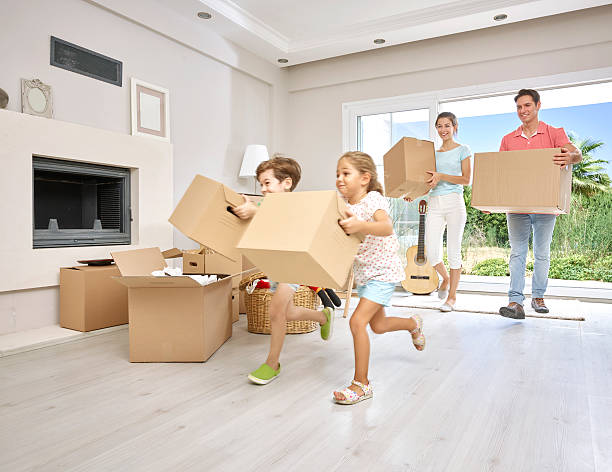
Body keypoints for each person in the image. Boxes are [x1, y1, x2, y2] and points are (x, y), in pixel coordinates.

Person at [333, 151, 425, 405]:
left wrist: (361, 226)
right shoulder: (344, 207)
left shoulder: (373, 199)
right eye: (337, 174)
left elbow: (386, 228)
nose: (340, 179)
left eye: (346, 173)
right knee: (378, 326)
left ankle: (361, 384)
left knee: (356, 322)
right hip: (365, 274)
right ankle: (412, 324)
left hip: (383, 273)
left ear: (365, 178)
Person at [233, 155, 334, 385]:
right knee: (287, 313)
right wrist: (248, 209)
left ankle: (272, 363)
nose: (263, 189)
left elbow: (289, 222)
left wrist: (256, 212)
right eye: (261, 184)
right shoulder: (266, 205)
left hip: (296, 264)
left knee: (276, 310)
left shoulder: (295, 205)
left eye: (267, 183)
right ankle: (322, 316)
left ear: (286, 183)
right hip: (276, 265)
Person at [497, 89, 582, 319]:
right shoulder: (508, 139)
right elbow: (500, 173)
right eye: (519, 107)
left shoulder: (554, 133)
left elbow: (577, 154)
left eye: (527, 106)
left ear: (537, 106)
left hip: (545, 205)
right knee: (517, 253)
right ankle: (515, 301)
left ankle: (538, 296)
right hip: (517, 206)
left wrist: (570, 157)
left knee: (542, 253)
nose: (523, 111)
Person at [405, 112, 472, 312]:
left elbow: (466, 179)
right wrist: (415, 194)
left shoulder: (463, 150)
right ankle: (447, 278)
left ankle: (451, 298)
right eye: (439, 126)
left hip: (454, 203)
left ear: (455, 127)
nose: (443, 130)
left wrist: (442, 175)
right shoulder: (432, 154)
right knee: (432, 252)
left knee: (453, 251)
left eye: (447, 126)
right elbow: (429, 184)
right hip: (434, 202)